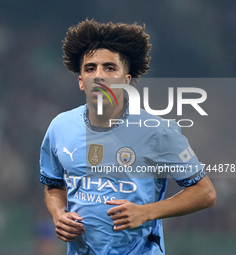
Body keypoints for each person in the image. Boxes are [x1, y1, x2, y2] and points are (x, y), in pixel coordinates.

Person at [39, 19, 216, 254]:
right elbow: (53, 185)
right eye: (90, 68)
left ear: (127, 80)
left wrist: (146, 212)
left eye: (109, 68)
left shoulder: (156, 131)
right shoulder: (60, 126)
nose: (99, 75)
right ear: (81, 81)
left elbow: (205, 192)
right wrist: (58, 214)